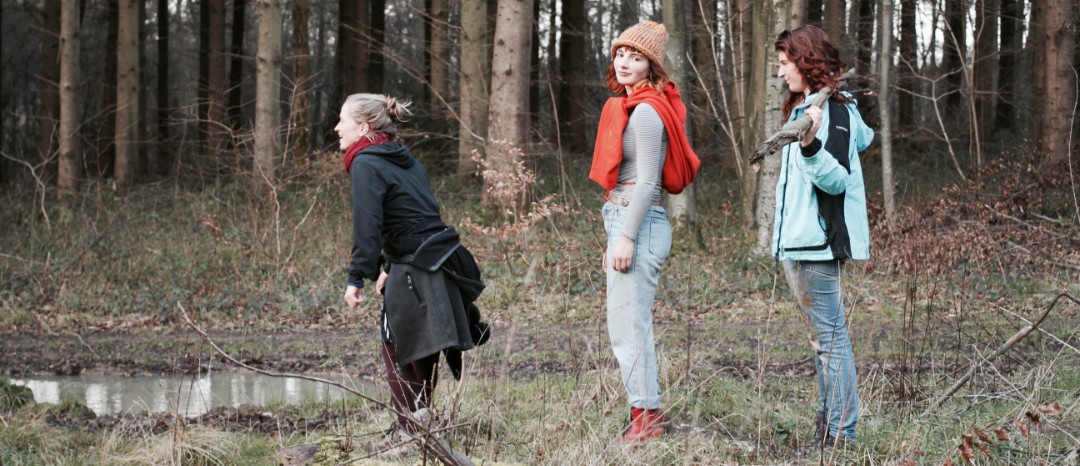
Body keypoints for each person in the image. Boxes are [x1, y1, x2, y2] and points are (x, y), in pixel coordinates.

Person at [335, 93, 489, 455]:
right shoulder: (403, 159)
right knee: (423, 343)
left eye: (343, 120)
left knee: (398, 343)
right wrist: (389, 267)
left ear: (364, 127)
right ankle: (419, 425)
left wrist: (357, 276)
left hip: (420, 264)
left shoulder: (366, 162)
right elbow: (412, 214)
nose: (337, 127)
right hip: (438, 260)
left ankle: (410, 430)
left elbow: (368, 224)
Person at [589, 21, 700, 443]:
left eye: (636, 57)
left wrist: (627, 236)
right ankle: (646, 412)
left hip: (640, 222)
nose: (625, 63)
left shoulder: (650, 111)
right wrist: (615, 233)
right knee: (630, 325)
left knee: (627, 328)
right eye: (621, 54)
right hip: (624, 219)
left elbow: (649, 181)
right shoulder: (631, 105)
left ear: (651, 66)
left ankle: (646, 420)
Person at [770, 25, 874, 450]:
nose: (780, 73)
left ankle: (841, 436)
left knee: (830, 342)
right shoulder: (810, 108)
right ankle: (829, 426)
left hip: (817, 244)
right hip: (800, 242)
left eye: (783, 64)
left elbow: (836, 181)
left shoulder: (831, 112)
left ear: (805, 61)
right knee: (823, 342)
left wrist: (810, 145)